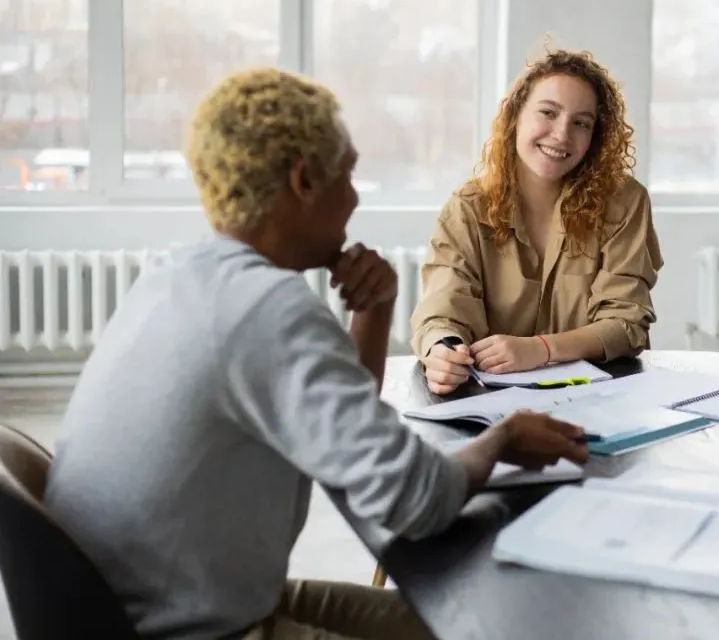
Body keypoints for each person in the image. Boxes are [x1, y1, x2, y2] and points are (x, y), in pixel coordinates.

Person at [42, 67, 589, 640]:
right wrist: (503, 438)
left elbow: (346, 429)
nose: (353, 199)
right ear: (304, 181)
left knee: (458, 626)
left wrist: (373, 311)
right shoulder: (268, 310)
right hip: (198, 629)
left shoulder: (179, 275)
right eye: (348, 174)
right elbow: (416, 500)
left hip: (153, 602)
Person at [410, 49, 664, 395]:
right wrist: (442, 351)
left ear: (595, 137)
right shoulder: (467, 208)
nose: (561, 135)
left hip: (599, 399)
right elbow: (444, 307)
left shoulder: (624, 201)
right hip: (490, 403)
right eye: (548, 113)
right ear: (516, 116)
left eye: (581, 123)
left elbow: (626, 323)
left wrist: (541, 349)